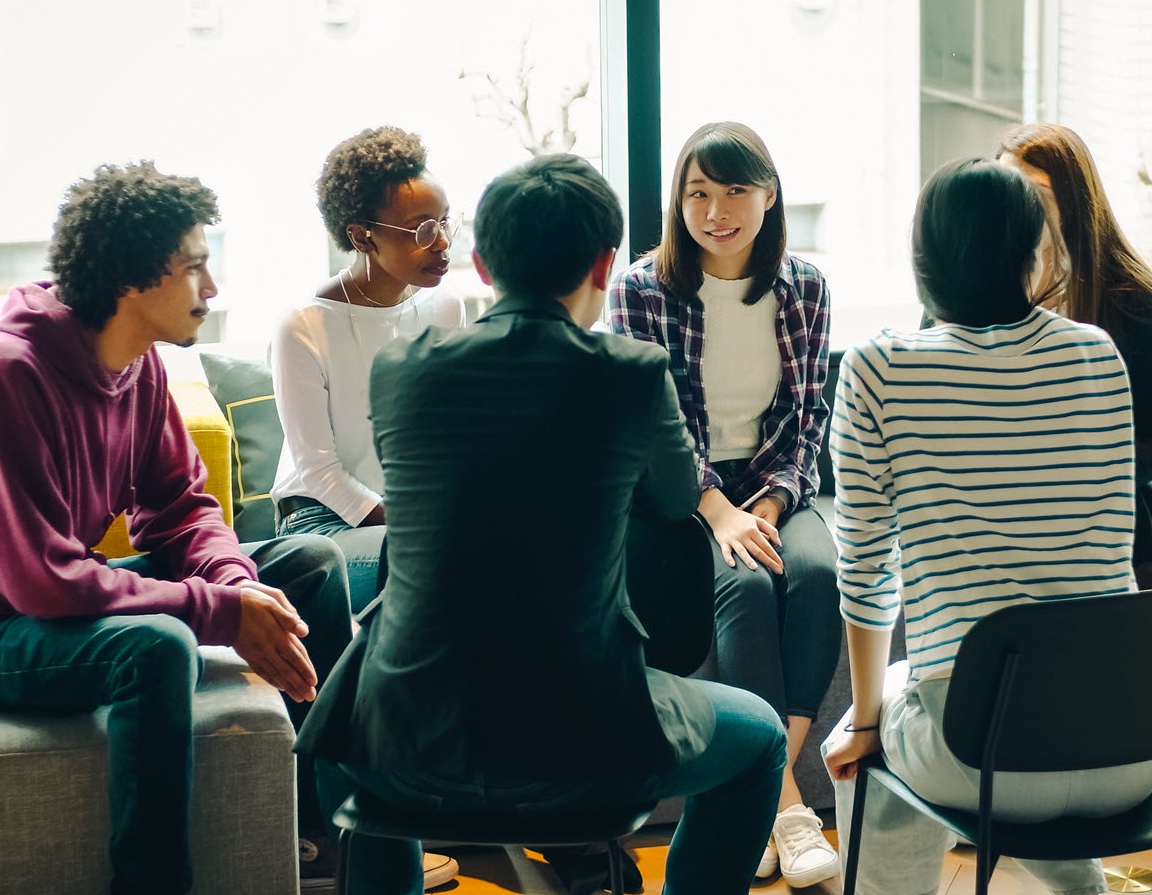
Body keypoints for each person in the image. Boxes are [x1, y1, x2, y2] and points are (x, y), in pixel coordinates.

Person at [0, 162, 385, 894]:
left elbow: (179, 509)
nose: (212, 289)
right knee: (156, 644)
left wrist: (238, 585)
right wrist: (216, 610)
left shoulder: (139, 367)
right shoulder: (7, 375)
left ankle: (327, 835)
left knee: (308, 561)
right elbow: (41, 580)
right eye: (196, 268)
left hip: (33, 601)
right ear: (134, 279)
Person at [296, 153, 787, 895]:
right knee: (760, 737)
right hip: (585, 741)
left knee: (361, 774)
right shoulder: (630, 373)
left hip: (405, 735)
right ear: (604, 263)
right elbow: (678, 493)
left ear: (482, 264)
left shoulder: (404, 371)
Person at [822, 158, 1152, 895]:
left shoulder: (878, 370)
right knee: (996, 709)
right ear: (1037, 255)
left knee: (862, 744)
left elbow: (866, 569)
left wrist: (862, 718)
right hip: (1134, 739)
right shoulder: (1099, 355)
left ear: (921, 260)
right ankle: (1084, 888)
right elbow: (1111, 538)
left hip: (985, 749)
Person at [608, 121, 841, 887]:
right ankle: (788, 805)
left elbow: (811, 415)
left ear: (769, 195)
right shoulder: (641, 290)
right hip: (684, 489)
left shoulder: (805, 285)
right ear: (677, 201)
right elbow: (657, 426)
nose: (716, 211)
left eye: (735, 190)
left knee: (813, 569)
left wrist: (769, 503)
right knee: (741, 584)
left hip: (778, 479)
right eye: (697, 192)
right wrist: (718, 511)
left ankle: (772, 790)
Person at [271, 126, 467, 612]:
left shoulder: (445, 308)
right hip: (320, 523)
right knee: (439, 565)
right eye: (423, 230)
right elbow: (320, 473)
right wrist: (420, 525)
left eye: (446, 223)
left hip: (412, 514)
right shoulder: (303, 327)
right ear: (363, 236)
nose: (443, 243)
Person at [995, 123, 1152, 589]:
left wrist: (1080, 478)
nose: (1017, 206)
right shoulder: (983, 278)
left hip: (1114, 504)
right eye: (1005, 190)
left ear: (1074, 203)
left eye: (1035, 194)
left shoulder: (1131, 299)